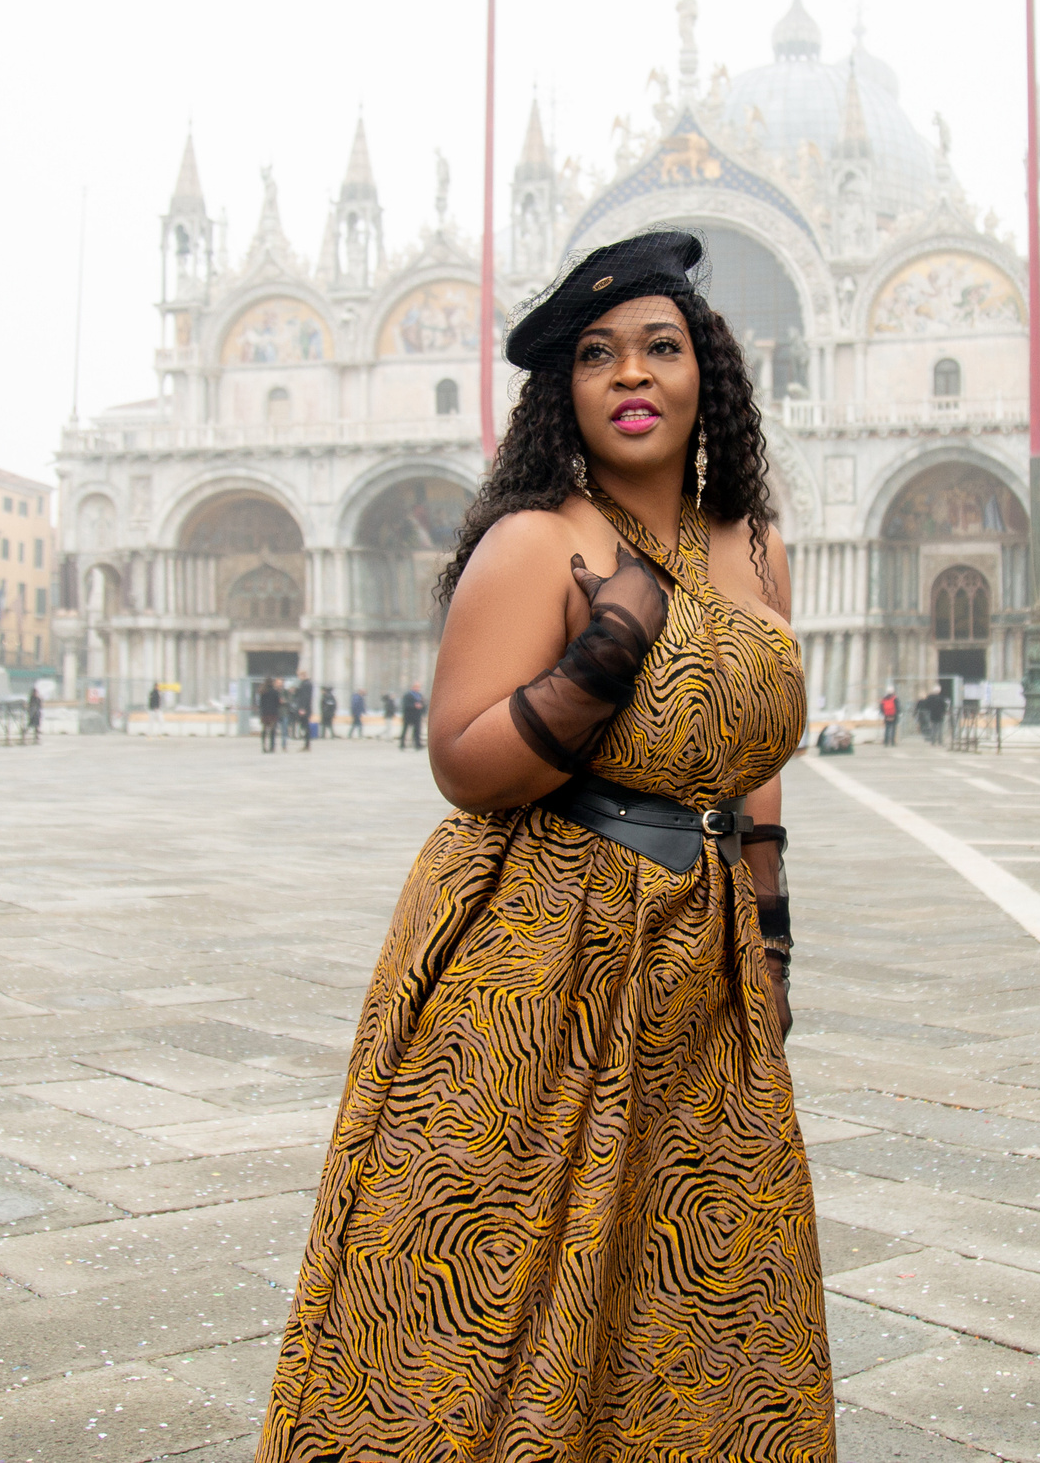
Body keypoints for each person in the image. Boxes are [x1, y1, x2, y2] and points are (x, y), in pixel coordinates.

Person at [260, 230, 821, 1459]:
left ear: (706, 372)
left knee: (696, 1278)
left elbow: (757, 750)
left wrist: (771, 937)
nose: (633, 375)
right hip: (538, 950)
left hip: (698, 964)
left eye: (660, 348)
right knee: (485, 1274)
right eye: (597, 356)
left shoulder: (759, 547)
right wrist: (601, 654)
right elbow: (464, 764)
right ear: (561, 393)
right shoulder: (532, 542)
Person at [397, 680, 426, 750]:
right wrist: (414, 705)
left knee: (417, 730)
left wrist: (422, 709)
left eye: (418, 687)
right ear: (412, 687)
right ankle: (402, 743)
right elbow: (405, 705)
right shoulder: (408, 695)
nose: (417, 688)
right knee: (405, 729)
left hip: (417, 715)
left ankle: (417, 744)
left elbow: (423, 704)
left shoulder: (419, 695)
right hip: (408, 715)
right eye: (416, 687)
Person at [258, 677, 283, 753]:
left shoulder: (262, 691)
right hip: (273, 713)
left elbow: (260, 703)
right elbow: (278, 703)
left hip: (265, 713)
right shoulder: (275, 691)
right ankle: (272, 747)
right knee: (272, 730)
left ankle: (263, 746)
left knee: (264, 729)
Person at [293, 670, 315, 751]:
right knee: (305, 726)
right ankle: (306, 744)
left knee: (305, 726)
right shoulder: (307, 684)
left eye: (299, 675)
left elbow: (305, 697)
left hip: (304, 709)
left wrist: (302, 708)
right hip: (306, 708)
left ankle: (307, 744)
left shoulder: (305, 684)